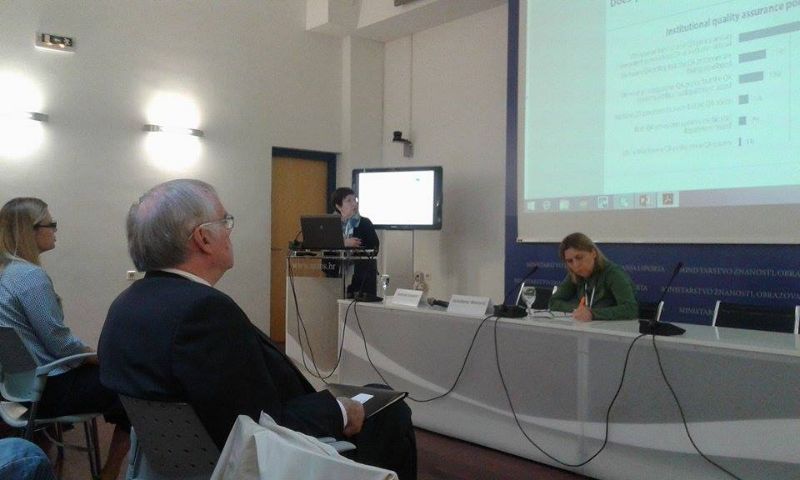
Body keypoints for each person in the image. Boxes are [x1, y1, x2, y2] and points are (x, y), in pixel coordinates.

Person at [98, 179, 416, 479]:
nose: (230, 233)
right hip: (266, 459)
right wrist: (340, 411)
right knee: (390, 409)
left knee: (374, 391)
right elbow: (258, 428)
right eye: (225, 222)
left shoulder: (127, 304)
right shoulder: (203, 313)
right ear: (203, 239)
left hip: (182, 461)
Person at [0, 198, 130, 480]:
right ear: (30, 230)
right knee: (132, 384)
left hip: (19, 387)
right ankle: (109, 473)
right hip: (46, 390)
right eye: (52, 224)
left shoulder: (7, 274)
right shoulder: (30, 277)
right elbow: (60, 345)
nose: (55, 230)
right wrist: (97, 356)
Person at [548, 232, 638, 321]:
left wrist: (593, 313)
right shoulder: (575, 274)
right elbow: (553, 302)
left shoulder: (613, 273)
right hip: (587, 326)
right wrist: (579, 309)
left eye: (579, 257)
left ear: (593, 253)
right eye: (570, 261)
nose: (576, 265)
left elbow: (631, 309)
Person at [331, 187, 379, 298]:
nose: (354, 204)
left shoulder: (365, 223)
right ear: (338, 206)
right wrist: (344, 243)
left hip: (362, 279)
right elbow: (323, 245)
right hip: (334, 278)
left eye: (355, 200)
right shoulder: (331, 224)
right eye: (349, 200)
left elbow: (375, 248)